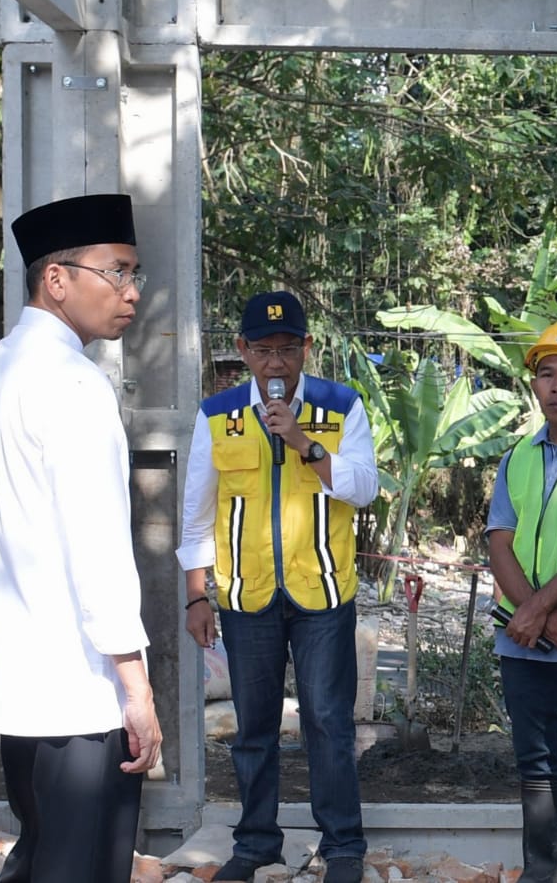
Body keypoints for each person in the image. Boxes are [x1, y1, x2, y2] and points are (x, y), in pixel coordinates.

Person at [0, 193, 162, 883]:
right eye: (118, 271)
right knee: (84, 868)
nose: (131, 293)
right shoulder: (75, 383)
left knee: (42, 853)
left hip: (19, 679)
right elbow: (97, 547)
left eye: (136, 274)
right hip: (80, 689)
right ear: (57, 278)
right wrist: (135, 685)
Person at [177, 291, 378, 883]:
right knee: (254, 725)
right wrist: (196, 593)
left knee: (327, 722)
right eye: (263, 350)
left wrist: (305, 444)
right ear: (242, 351)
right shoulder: (217, 416)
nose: (275, 363)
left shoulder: (342, 406)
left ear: (306, 348)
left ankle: (343, 845)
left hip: (323, 596)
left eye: (287, 348)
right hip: (247, 596)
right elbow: (195, 513)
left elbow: (363, 487)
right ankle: (257, 841)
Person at [485, 320, 557, 883]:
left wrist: (542, 611)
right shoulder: (518, 456)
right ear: (534, 385)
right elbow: (499, 541)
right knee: (535, 762)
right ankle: (541, 873)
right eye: (546, 374)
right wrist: (535, 613)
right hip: (527, 638)